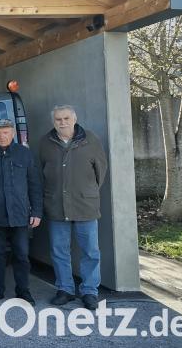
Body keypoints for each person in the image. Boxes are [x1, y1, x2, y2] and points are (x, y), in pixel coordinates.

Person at [39, 105, 107, 311]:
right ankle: (65, 289)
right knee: (59, 251)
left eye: (66, 118)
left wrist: (86, 191)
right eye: (58, 119)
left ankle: (89, 291)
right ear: (53, 122)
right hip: (56, 206)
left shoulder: (91, 139)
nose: (62, 122)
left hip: (85, 205)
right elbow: (42, 172)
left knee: (90, 251)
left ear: (74, 119)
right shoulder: (45, 142)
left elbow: (100, 171)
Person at [0, 118, 43, 306]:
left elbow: (34, 185)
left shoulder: (25, 153)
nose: (2, 136)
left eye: (5, 132)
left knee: (21, 254)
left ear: (13, 133)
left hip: (20, 214)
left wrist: (36, 211)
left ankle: (23, 291)